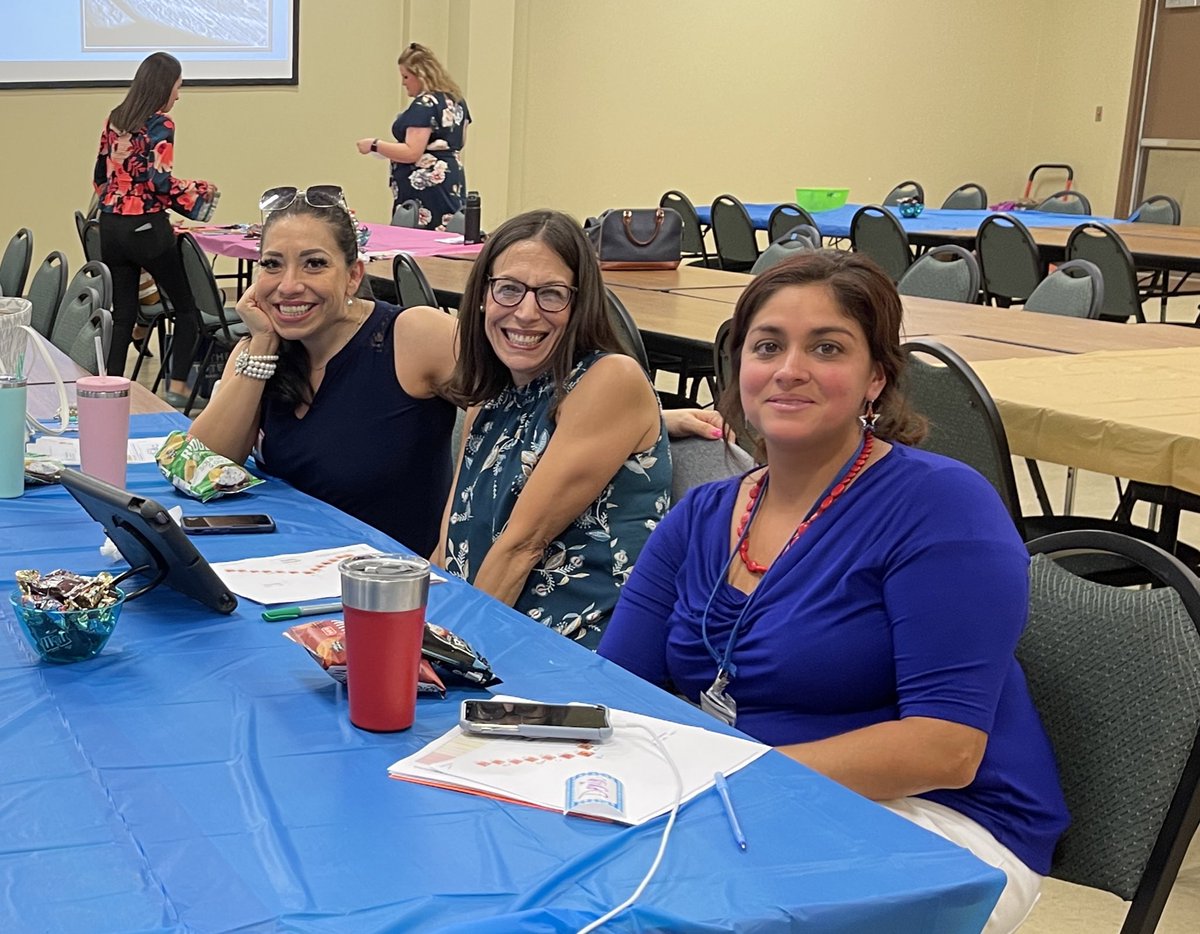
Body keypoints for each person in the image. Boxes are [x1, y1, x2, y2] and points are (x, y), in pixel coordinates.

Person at [598, 251, 1069, 933]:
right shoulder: (702, 516)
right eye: (768, 346)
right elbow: (619, 694)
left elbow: (945, 750)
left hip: (938, 821)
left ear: (876, 376)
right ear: (739, 371)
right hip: (747, 799)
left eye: (827, 347)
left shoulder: (941, 507)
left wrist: (727, 775)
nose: (790, 369)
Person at [189, 191, 721, 564]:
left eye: (313, 265)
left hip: (393, 572)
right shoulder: (264, 347)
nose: (288, 285)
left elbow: (523, 381)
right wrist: (259, 346)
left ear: (354, 274)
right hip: (293, 565)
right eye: (272, 265)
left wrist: (645, 418)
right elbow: (201, 467)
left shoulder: (411, 336)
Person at [437, 210, 672, 649]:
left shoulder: (609, 379)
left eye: (551, 294)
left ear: (579, 304)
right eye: (508, 290)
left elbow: (521, 548)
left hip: (571, 651)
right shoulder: (491, 398)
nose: (525, 313)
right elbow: (448, 547)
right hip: (488, 624)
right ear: (483, 296)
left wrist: (443, 658)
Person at [93, 51, 216, 402]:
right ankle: (177, 387)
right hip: (146, 229)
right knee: (188, 309)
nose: (178, 94)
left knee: (124, 314)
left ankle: (110, 387)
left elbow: (101, 177)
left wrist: (122, 204)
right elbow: (158, 182)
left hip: (111, 227)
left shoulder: (115, 119)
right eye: (178, 86)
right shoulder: (161, 124)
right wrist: (196, 195)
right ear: (164, 87)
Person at [356, 43, 471, 230]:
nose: (403, 83)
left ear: (421, 75)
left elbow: (412, 152)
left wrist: (374, 145)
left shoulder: (424, 104)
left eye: (406, 77)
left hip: (427, 188)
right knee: (449, 232)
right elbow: (460, 141)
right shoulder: (456, 101)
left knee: (423, 234)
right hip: (451, 179)